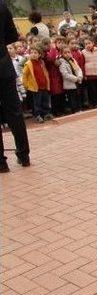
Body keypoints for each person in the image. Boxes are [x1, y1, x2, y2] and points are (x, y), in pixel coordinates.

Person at [0, 0, 30, 173]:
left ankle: (1, 163)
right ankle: (24, 155)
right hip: (4, 64)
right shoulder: (2, 5)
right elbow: (12, 36)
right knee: (15, 112)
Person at [58, 46, 83, 113]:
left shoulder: (73, 60)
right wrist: (76, 79)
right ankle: (74, 110)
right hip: (70, 84)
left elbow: (78, 69)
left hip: (77, 82)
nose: (67, 54)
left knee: (78, 96)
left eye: (68, 52)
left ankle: (79, 108)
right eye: (65, 53)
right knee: (72, 98)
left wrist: (80, 76)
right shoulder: (62, 63)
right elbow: (65, 75)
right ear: (62, 54)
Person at [82, 37, 97, 108]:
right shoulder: (83, 52)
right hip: (89, 74)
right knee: (91, 89)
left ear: (93, 43)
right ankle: (93, 103)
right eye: (86, 44)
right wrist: (84, 74)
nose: (88, 45)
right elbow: (82, 64)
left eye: (89, 43)